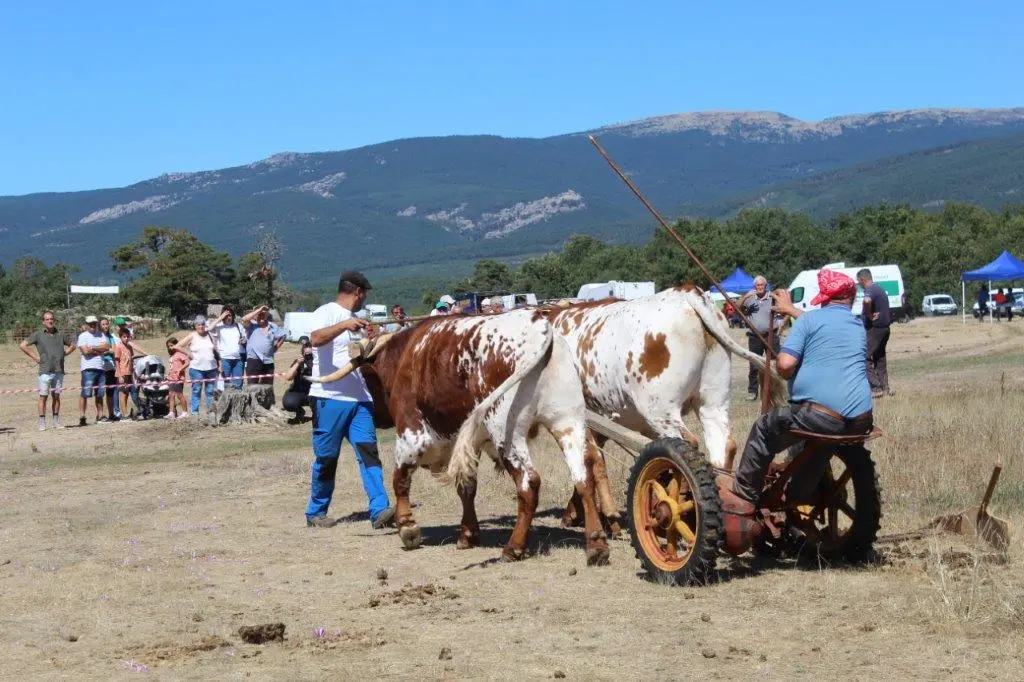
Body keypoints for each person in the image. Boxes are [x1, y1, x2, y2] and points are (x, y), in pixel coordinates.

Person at [723, 269, 872, 552]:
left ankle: (742, 497)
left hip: (821, 416)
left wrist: (788, 359)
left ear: (823, 298)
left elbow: (785, 366)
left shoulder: (810, 321)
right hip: (859, 420)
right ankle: (797, 493)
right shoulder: (856, 324)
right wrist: (792, 310)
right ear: (851, 298)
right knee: (817, 444)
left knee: (764, 428)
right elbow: (821, 324)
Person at [305, 270, 394, 529]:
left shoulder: (357, 320)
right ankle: (316, 512)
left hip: (360, 400)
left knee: (369, 453)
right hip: (328, 397)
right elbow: (316, 339)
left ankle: (380, 510)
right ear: (358, 292)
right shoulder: (325, 312)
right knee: (326, 457)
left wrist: (372, 340)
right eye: (364, 294)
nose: (364, 298)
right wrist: (344, 325)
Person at [20, 310, 76, 430]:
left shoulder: (61, 334)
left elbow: (73, 346)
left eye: (51, 319)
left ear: (54, 320)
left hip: (59, 371)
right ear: (43, 321)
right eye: (47, 319)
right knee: (43, 397)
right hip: (45, 371)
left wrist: (64, 354)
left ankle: (56, 422)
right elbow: (22, 345)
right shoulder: (38, 335)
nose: (50, 321)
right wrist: (35, 357)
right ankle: (42, 423)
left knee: (56, 396)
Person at [737, 276, 781, 401]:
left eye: (762, 285)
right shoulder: (750, 299)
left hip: (771, 335)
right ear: (755, 286)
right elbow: (736, 308)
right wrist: (745, 296)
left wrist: (776, 297)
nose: (760, 287)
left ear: (765, 286)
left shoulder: (772, 298)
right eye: (758, 285)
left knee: (774, 363)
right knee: (754, 364)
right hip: (755, 336)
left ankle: (775, 390)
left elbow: (784, 308)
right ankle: (752, 391)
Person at [174, 316, 219, 417]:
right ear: (195, 326)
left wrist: (219, 363)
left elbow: (215, 350)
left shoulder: (209, 334)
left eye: (202, 324)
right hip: (196, 369)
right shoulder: (192, 336)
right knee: (196, 390)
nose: (201, 326)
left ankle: (211, 413)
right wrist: (188, 353)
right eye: (198, 325)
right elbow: (177, 346)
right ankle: (194, 414)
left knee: (210, 391)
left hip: (211, 368)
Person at [857, 268, 891, 398]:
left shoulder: (870, 289)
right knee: (879, 358)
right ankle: (885, 389)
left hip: (875, 329)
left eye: (859, 282)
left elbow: (867, 301)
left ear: (862, 280)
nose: (859, 284)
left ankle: (876, 388)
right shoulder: (879, 288)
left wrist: (869, 315)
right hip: (884, 328)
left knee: (864, 357)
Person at [76, 316, 110, 425]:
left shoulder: (102, 335)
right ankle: (82, 416)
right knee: (85, 393)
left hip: (100, 368)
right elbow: (85, 352)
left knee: (100, 394)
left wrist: (92, 348)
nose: (92, 325)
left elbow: (106, 347)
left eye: (94, 323)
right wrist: (99, 350)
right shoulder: (82, 336)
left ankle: (100, 415)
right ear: (86, 325)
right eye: (90, 324)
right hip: (88, 368)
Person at [242, 305, 286, 385]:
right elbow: (244, 319)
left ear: (266, 316)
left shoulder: (272, 326)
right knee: (252, 387)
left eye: (263, 314)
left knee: (267, 387)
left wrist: (276, 347)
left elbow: (283, 335)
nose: (261, 317)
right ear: (255, 316)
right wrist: (259, 310)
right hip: (253, 360)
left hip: (268, 360)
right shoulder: (251, 325)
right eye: (259, 315)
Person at [113, 326, 149, 420]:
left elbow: (132, 358)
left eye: (127, 337)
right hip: (122, 373)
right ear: (120, 337)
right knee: (123, 393)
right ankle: (124, 415)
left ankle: (129, 412)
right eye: (124, 337)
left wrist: (144, 354)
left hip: (129, 373)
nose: (126, 338)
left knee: (128, 393)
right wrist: (119, 375)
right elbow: (117, 361)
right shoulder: (118, 346)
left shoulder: (129, 347)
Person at [210, 306, 247, 389]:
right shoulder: (219, 326)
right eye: (226, 315)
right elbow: (209, 328)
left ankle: (237, 397)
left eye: (230, 315)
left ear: (233, 316)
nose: (228, 317)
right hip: (224, 359)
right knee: (224, 386)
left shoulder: (238, 326)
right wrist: (220, 318)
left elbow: (244, 338)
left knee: (238, 385)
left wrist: (243, 341)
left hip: (238, 360)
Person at [282, 340, 314, 420]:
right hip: (299, 391)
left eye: (310, 354)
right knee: (289, 403)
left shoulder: (318, 363)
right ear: (302, 353)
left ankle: (317, 413)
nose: (308, 357)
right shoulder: (298, 362)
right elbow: (288, 377)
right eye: (306, 354)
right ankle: (300, 412)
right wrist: (298, 363)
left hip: (314, 392)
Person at [98, 317, 122, 420]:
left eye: (106, 324)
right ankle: (100, 415)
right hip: (100, 367)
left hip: (111, 367)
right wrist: (107, 349)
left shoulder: (111, 337)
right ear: (100, 326)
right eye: (103, 324)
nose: (105, 326)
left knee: (110, 391)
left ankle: (111, 414)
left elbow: (114, 350)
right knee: (99, 392)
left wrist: (107, 350)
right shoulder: (97, 336)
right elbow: (99, 350)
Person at [165, 337, 190, 419]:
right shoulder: (172, 355)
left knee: (179, 395)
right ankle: (171, 412)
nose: (170, 348)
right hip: (171, 378)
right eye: (168, 346)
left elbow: (187, 362)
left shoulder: (180, 353)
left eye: (171, 345)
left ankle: (185, 412)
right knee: (171, 395)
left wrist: (180, 369)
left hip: (178, 378)